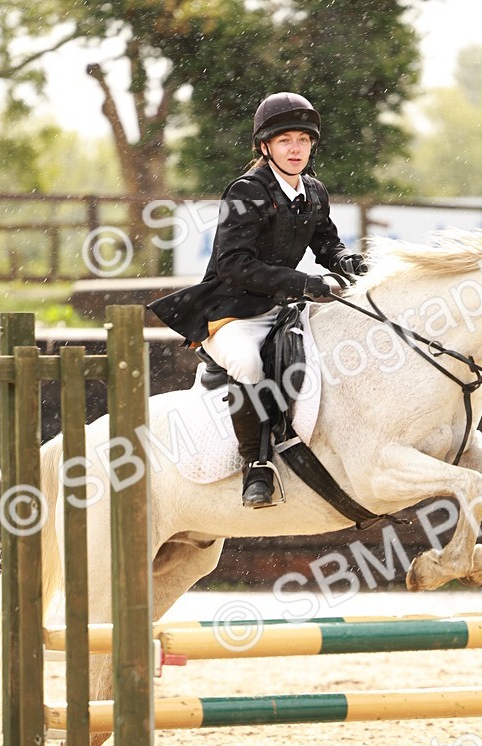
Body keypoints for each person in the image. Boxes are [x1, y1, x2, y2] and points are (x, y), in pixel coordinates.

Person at [148, 91, 367, 508]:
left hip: (280, 308)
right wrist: (301, 283)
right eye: (285, 141)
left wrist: (349, 262)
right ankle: (256, 465)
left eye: (303, 140)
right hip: (230, 312)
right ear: (265, 147)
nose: (296, 149)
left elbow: (328, 245)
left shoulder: (314, 191)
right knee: (248, 361)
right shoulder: (247, 191)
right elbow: (233, 265)